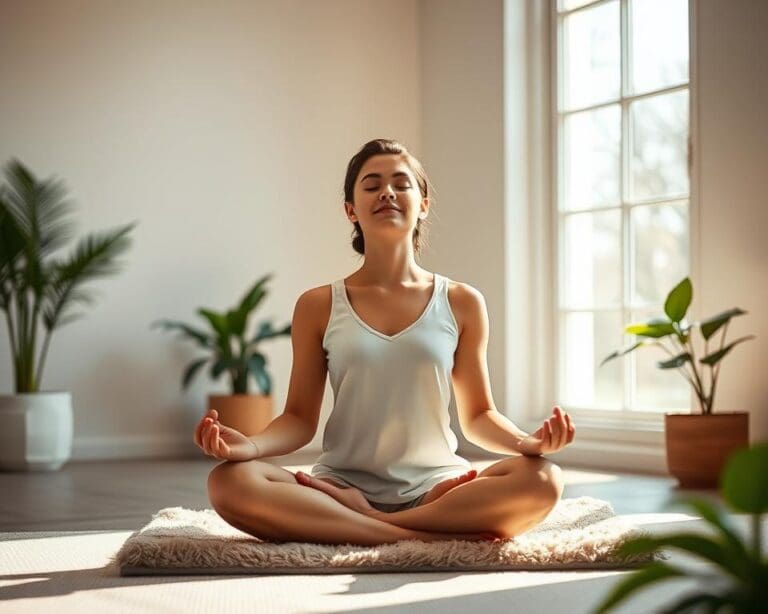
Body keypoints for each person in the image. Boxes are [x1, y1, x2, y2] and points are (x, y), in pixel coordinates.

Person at [195, 138, 575, 546]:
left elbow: (479, 415)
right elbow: (299, 420)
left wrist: (525, 442)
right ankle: (415, 536)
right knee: (229, 482)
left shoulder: (462, 301)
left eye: (401, 183)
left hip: (437, 488)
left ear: (423, 204)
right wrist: (250, 447)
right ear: (351, 210)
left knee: (542, 479)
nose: (387, 193)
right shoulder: (317, 305)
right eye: (372, 185)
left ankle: (368, 528)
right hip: (339, 488)